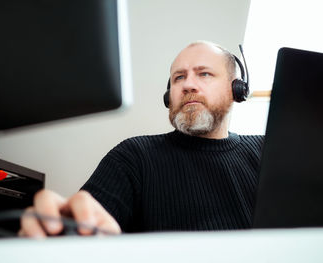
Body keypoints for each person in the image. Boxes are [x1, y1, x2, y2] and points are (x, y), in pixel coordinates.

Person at [19, 40, 264, 237]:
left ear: (237, 90)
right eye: (179, 77)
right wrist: (62, 229)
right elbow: (84, 228)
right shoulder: (134, 156)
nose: (188, 84)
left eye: (204, 74)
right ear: (169, 96)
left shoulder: (268, 152)